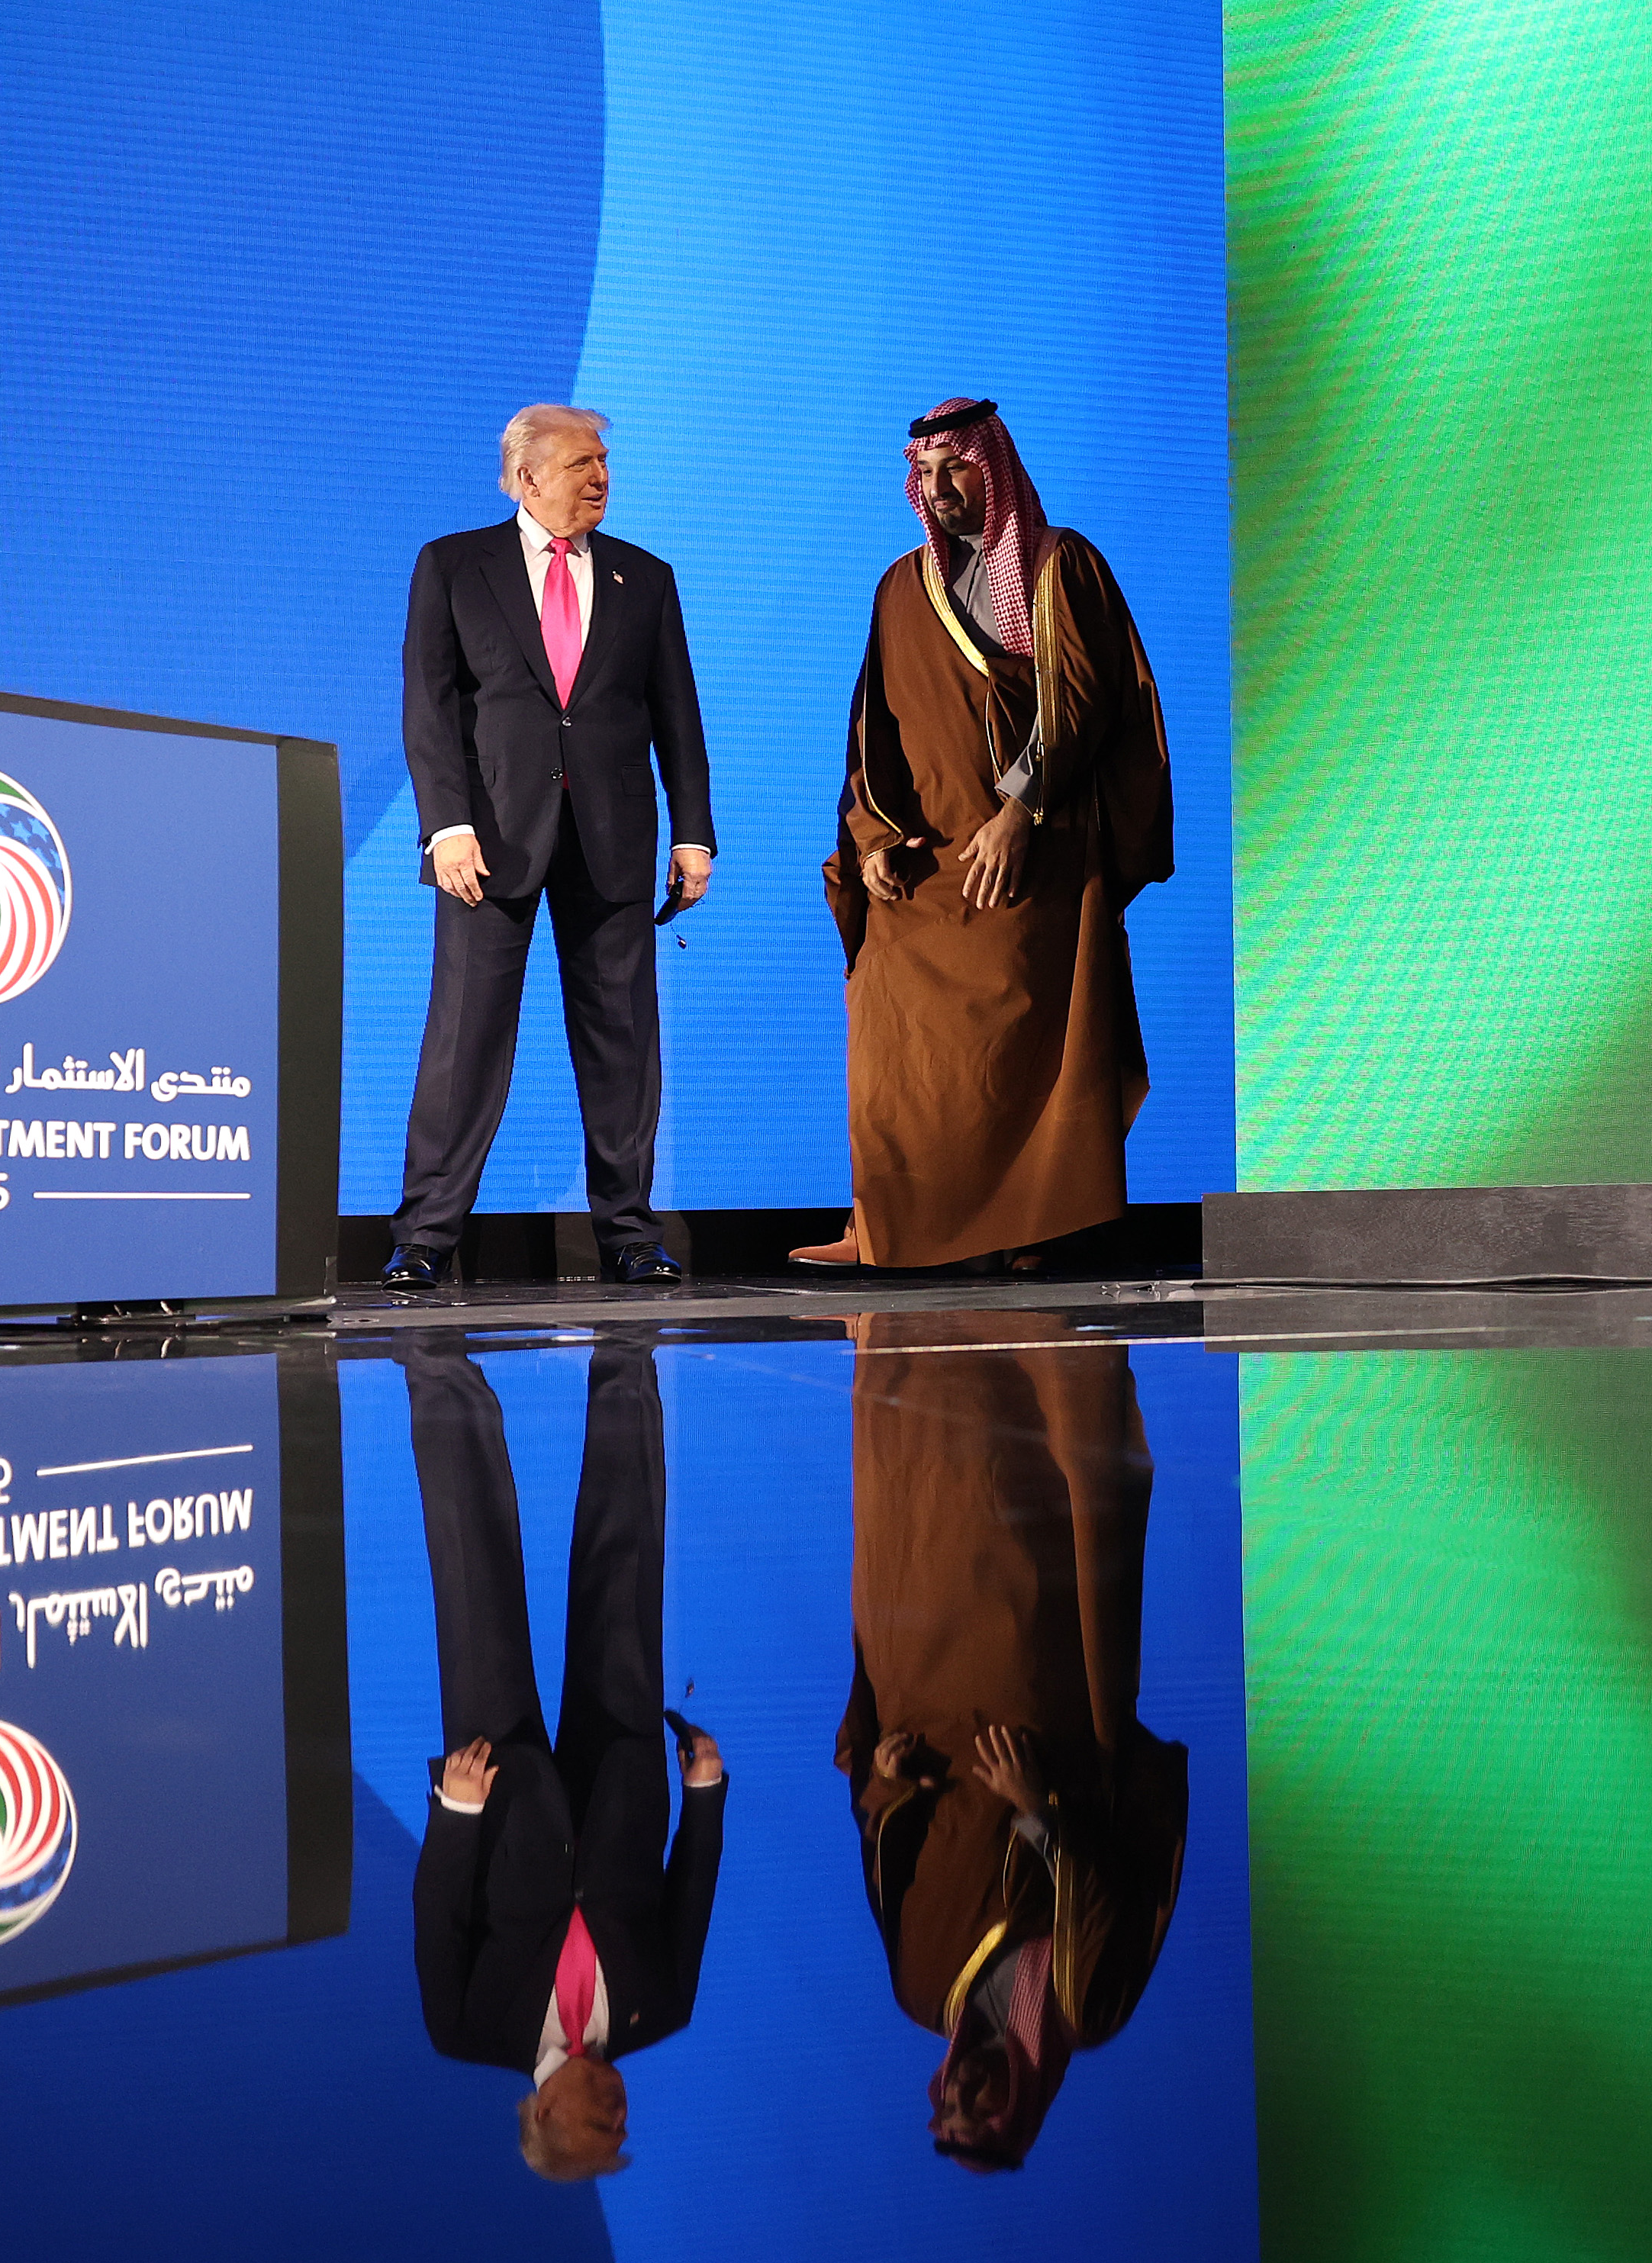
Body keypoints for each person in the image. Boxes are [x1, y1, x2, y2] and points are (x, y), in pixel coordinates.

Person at [797, 400, 1171, 1272]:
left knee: (1015, 1054)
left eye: (954, 470)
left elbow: (1079, 703)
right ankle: (886, 1225)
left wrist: (1017, 812)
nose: (938, 491)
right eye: (923, 475)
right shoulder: (899, 584)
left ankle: (1030, 1228)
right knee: (889, 1033)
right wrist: (875, 838)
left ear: (991, 467)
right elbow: (871, 730)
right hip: (926, 857)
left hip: (1027, 856)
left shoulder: (1056, 566)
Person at [832, 1309, 1189, 2169]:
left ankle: (905, 1311)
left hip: (927, 1691)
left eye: (945, 2111)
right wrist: (1039, 1809)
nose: (960, 2095)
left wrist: (884, 1783)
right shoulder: (1085, 2012)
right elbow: (1108, 1892)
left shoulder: (921, 1994)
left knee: (921, 1488)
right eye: (979, 2117)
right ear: (1018, 2112)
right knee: (1022, 1505)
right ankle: (1026, 1310)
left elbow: (888, 1861)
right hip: (1040, 1704)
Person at [387, 405, 714, 1291]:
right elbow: (430, 706)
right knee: (465, 1039)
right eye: (580, 462)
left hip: (612, 838)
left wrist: (693, 832)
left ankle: (629, 1234)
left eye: (604, 459)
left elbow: (676, 715)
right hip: (486, 841)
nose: (599, 475)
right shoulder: (454, 564)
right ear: (526, 477)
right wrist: (445, 824)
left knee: (622, 1042)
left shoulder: (644, 577)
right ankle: (425, 1236)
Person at [410, 1339, 729, 2180]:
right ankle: (628, 1364)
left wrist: (457, 1811)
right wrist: (705, 1794)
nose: (620, 2117)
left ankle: (436, 1370)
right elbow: (689, 1894)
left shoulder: (465, 2032)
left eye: (601, 2128)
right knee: (624, 1565)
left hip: (498, 1794)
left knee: (474, 1572)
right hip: (623, 1786)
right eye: (623, 2130)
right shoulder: (663, 2012)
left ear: (546, 2110)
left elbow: (437, 1916)